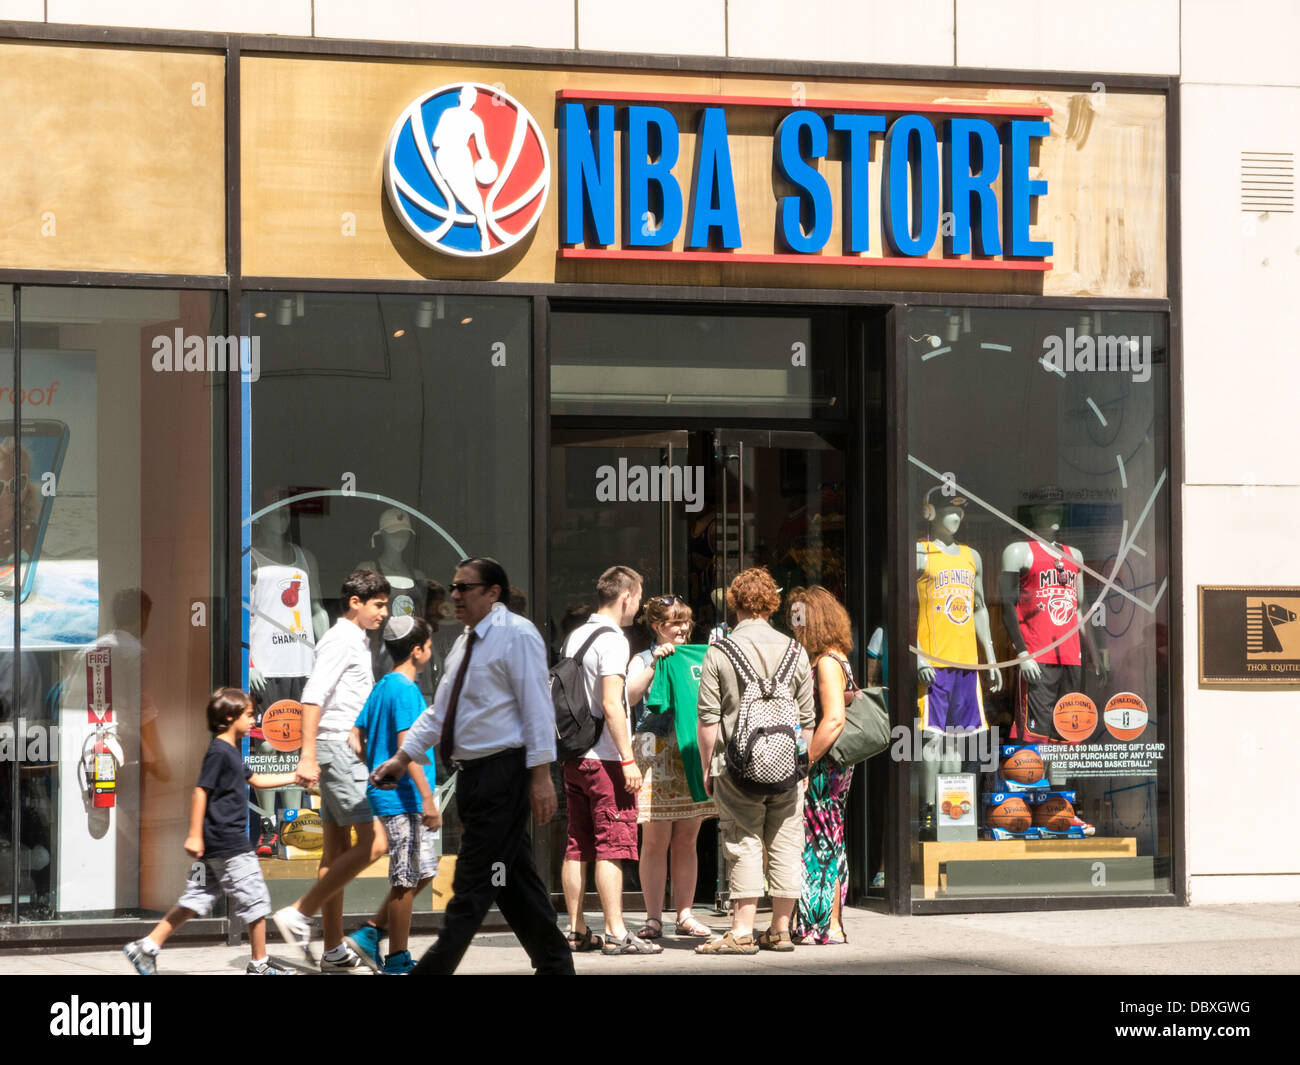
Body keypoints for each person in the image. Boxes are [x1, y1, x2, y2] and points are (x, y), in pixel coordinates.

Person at [369, 557, 573, 975]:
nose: (455, 595)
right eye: (454, 586)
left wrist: (540, 776)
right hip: (474, 778)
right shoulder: (466, 641)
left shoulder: (517, 635)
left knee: (472, 887)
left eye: (465, 587)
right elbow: (439, 713)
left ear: (493, 592)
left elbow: (537, 708)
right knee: (512, 882)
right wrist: (401, 758)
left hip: (505, 774)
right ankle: (555, 964)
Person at [124, 688, 298, 975]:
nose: (254, 720)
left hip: (217, 846)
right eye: (249, 715)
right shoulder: (219, 751)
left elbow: (257, 780)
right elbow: (200, 792)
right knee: (256, 900)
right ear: (229, 718)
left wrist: (295, 777)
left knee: (195, 898)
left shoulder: (229, 752)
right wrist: (194, 834)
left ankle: (147, 947)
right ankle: (260, 964)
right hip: (230, 845)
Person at [273, 570, 390, 971]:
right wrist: (307, 756)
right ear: (355, 603)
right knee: (376, 842)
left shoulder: (355, 639)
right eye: (378, 604)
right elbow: (313, 696)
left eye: (385, 604)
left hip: (340, 748)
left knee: (336, 850)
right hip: (336, 749)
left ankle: (333, 950)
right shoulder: (341, 639)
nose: (384, 612)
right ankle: (299, 912)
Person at [695, 567, 814, 955]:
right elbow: (807, 719)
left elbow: (709, 719)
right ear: (772, 604)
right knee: (785, 841)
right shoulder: (796, 650)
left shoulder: (720, 651)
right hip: (786, 766)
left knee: (742, 839)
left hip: (736, 764)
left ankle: (742, 931)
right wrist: (802, 766)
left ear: (734, 604)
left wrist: (708, 767)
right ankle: (781, 930)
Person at [560, 565, 661, 956]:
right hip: (604, 758)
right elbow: (611, 703)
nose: (637, 606)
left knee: (576, 845)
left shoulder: (575, 636)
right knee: (612, 845)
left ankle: (575, 928)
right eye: (637, 598)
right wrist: (628, 758)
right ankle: (617, 932)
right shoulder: (614, 640)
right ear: (625, 598)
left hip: (574, 755)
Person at [344, 616, 441, 975]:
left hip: (395, 795)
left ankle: (371, 932)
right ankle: (397, 958)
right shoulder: (404, 690)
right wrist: (427, 798)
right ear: (417, 651)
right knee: (405, 878)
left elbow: (356, 733)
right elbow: (408, 747)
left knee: (423, 870)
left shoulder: (383, 684)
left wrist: (371, 760)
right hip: (404, 798)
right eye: (429, 645)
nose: (430, 651)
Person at [625, 594, 713, 939]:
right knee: (656, 839)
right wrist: (652, 666)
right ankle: (653, 917)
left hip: (689, 749)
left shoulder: (697, 658)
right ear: (657, 627)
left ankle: (686, 914)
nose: (683, 628)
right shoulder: (643, 657)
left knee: (688, 838)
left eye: (686, 620)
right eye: (675, 622)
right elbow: (630, 696)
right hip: (655, 751)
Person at [787, 586, 856, 944]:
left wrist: (805, 763)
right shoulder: (832, 657)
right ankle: (826, 923)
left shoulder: (828, 662)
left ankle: (823, 925)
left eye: (798, 617)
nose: (793, 624)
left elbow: (833, 720)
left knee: (821, 842)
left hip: (824, 765)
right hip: (825, 762)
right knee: (825, 839)